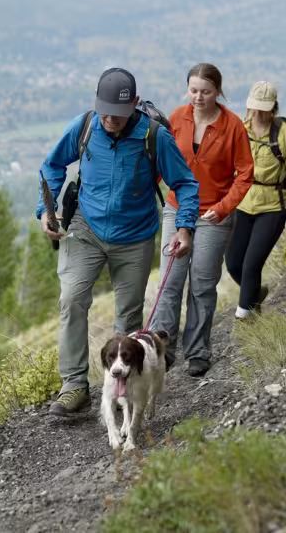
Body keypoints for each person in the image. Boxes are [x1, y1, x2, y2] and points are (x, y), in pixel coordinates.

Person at [37, 67, 200, 417]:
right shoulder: (84, 127)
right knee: (72, 298)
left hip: (135, 236)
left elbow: (185, 183)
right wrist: (46, 210)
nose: (110, 119)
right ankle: (74, 387)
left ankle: (120, 393)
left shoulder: (153, 136)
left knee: (127, 318)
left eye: (119, 113)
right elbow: (51, 166)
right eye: (105, 110)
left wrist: (184, 228)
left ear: (135, 105)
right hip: (86, 227)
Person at [149, 64, 254, 377]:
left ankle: (197, 352)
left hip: (213, 215)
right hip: (176, 209)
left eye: (205, 91)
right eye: (193, 90)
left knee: (202, 285)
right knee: (169, 279)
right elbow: (160, 160)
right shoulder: (176, 118)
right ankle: (161, 349)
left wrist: (223, 207)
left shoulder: (233, 126)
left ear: (218, 92)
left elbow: (246, 173)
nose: (198, 97)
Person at [225, 80, 286, 319]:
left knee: (252, 265)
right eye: (254, 107)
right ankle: (254, 294)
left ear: (274, 108)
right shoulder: (240, 129)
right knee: (233, 264)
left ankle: (246, 319)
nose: (258, 113)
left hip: (273, 207)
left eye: (263, 108)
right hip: (243, 203)